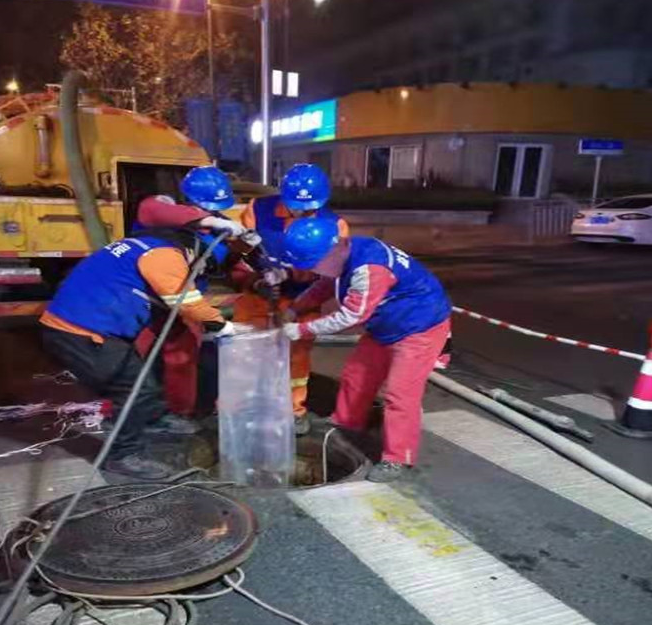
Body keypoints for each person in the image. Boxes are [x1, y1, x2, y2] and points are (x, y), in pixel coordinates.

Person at [40, 221, 252, 481]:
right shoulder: (165, 257)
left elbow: (165, 308)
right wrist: (221, 326)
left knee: (146, 374)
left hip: (90, 325)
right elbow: (184, 300)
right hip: (78, 332)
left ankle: (153, 417)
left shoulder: (152, 244)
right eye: (203, 269)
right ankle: (122, 455)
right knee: (133, 389)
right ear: (197, 256)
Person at [279, 214, 452, 483]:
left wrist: (301, 329)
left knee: (399, 393)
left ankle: (398, 458)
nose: (312, 269)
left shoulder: (369, 270)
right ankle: (346, 424)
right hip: (386, 325)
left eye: (314, 263)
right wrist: (294, 308)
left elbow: (351, 316)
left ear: (334, 248)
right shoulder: (344, 254)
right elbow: (325, 285)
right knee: (357, 376)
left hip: (420, 328)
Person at [231, 164, 349, 435]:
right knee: (244, 352)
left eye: (309, 208)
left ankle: (293, 411)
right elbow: (237, 253)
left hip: (302, 298)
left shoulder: (335, 225)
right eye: (295, 205)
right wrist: (255, 279)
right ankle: (237, 409)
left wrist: (300, 289)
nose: (301, 212)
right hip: (257, 296)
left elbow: (330, 272)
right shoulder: (257, 209)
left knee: (296, 358)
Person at [133, 167, 248, 419]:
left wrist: (256, 278)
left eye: (215, 208)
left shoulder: (217, 231)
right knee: (134, 359)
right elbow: (151, 209)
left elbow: (230, 264)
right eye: (206, 206)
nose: (211, 212)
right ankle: (127, 414)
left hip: (183, 304)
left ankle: (179, 413)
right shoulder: (160, 210)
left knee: (183, 358)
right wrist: (210, 220)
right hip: (142, 302)